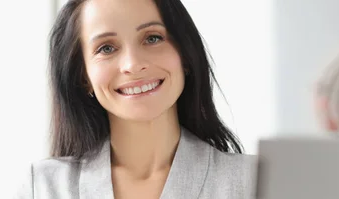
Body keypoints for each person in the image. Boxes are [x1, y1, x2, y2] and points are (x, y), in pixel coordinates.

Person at [16, 0, 257, 198]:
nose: (133, 64)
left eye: (152, 38)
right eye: (106, 48)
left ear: (185, 54)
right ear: (84, 76)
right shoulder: (43, 187)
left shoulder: (254, 182)